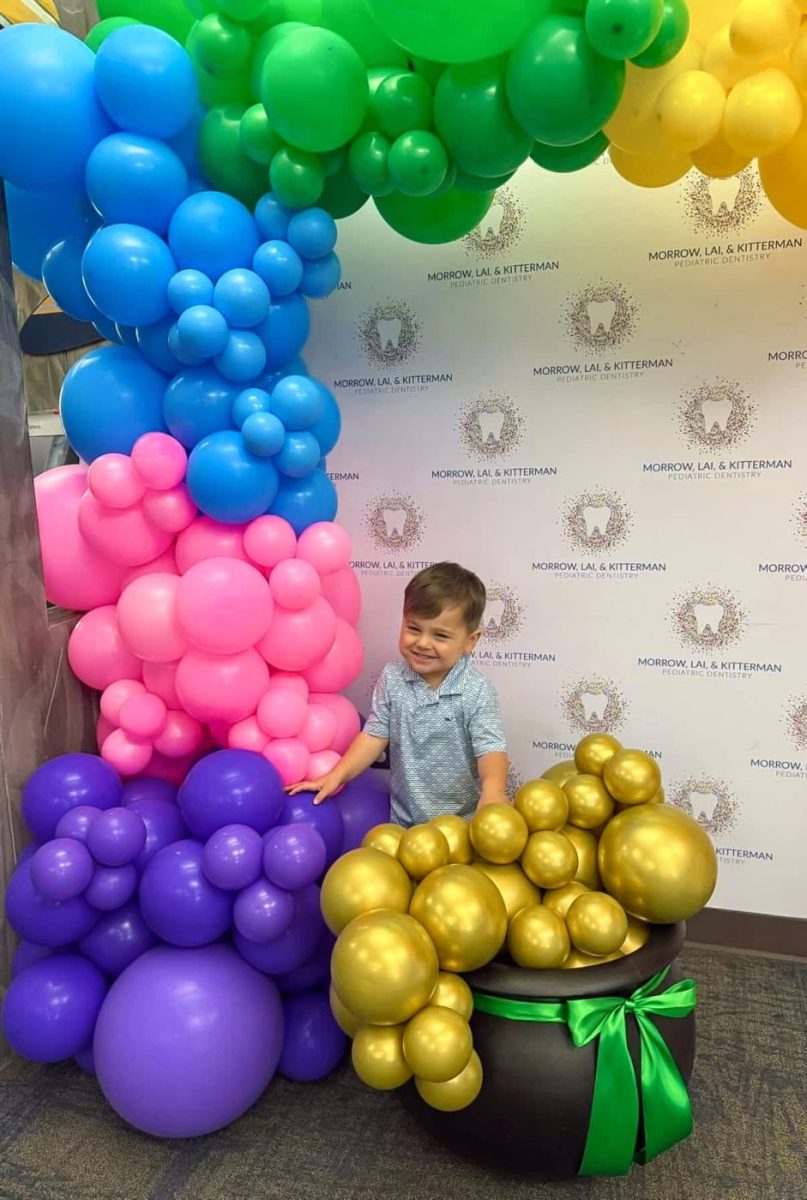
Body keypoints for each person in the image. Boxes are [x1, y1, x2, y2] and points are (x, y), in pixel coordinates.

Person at [289, 562, 509, 826]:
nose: (423, 643)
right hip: (404, 823)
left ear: (470, 641)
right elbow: (374, 736)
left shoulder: (477, 690)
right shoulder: (393, 678)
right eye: (414, 629)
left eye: (440, 636)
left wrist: (493, 791)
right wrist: (336, 775)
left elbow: (490, 749)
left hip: (461, 825)